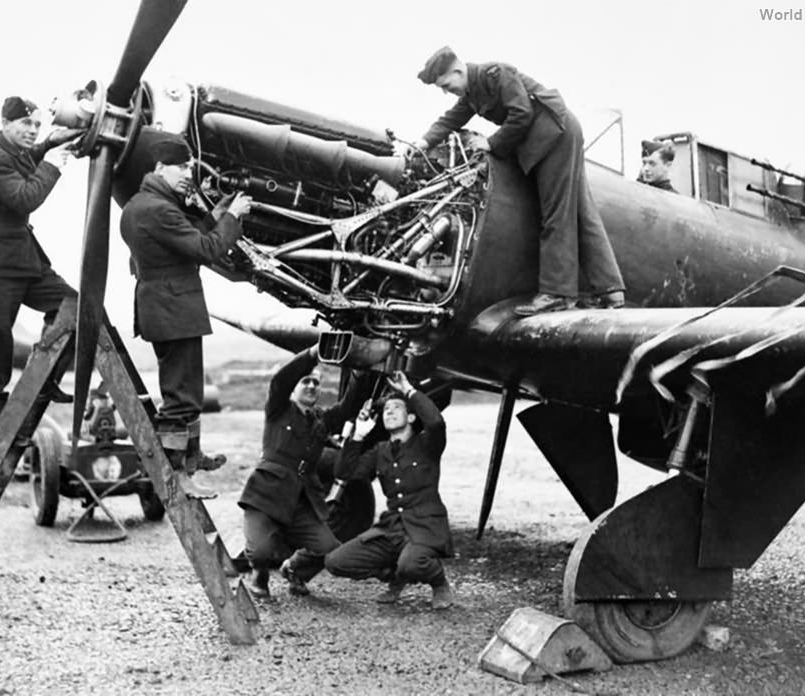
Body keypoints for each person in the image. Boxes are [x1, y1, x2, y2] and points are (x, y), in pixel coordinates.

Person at [415, 47, 625, 315]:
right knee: (581, 213)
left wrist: (491, 144)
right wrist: (422, 142)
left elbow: (522, 113)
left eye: (446, 85)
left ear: (458, 71)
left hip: (554, 134)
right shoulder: (472, 92)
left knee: (556, 213)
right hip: (549, 135)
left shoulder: (496, 74)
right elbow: (449, 120)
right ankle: (611, 291)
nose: (447, 91)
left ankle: (557, 293)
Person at [119, 132, 253, 499]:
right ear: (160, 167)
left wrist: (218, 212)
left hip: (166, 306)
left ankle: (191, 456)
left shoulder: (141, 205)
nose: (187, 175)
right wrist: (235, 218)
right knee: (180, 397)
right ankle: (176, 472)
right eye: (181, 168)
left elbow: (186, 238)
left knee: (189, 389)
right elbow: (208, 249)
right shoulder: (158, 210)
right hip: (173, 308)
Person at [0, 96, 83, 443]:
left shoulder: (11, 152)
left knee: (73, 308)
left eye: (36, 125)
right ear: (5, 123)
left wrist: (51, 143)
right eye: (25, 124)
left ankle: (42, 376)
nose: (33, 131)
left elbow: (29, 158)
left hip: (20, 259)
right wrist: (55, 163)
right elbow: (25, 197)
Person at [238, 347, 364, 599]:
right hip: (266, 496)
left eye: (316, 383)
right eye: (305, 381)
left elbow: (349, 406)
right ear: (293, 389)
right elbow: (279, 380)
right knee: (261, 552)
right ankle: (259, 572)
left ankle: (295, 570)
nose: (311, 386)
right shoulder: (278, 409)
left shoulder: (321, 420)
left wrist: (359, 374)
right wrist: (312, 354)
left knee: (329, 549)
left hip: (300, 501)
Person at [325, 371, 454, 610]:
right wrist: (358, 435)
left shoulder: (427, 445)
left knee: (412, 564)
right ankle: (396, 576)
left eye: (396, 408)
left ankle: (438, 581)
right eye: (386, 410)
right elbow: (346, 473)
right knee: (336, 562)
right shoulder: (380, 450)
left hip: (424, 525)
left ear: (412, 417)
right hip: (392, 528)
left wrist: (408, 390)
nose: (390, 412)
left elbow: (436, 422)